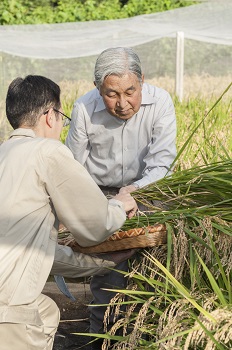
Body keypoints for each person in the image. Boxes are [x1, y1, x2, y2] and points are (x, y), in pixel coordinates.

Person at [0, 75, 138, 350]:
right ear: (50, 115)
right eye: (62, 117)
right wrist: (120, 204)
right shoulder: (48, 151)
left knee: (47, 310)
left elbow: (35, 252)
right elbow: (95, 225)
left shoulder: (4, 154)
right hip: (8, 309)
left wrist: (103, 264)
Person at [66, 47, 177, 348]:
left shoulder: (161, 102)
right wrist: (104, 206)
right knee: (109, 267)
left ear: (142, 81)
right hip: (99, 194)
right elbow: (72, 168)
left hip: (150, 189)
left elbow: (162, 163)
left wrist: (134, 193)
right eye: (111, 94)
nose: (123, 103)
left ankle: (151, 330)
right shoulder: (84, 109)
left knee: (156, 260)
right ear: (97, 88)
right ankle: (103, 334)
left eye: (130, 91)